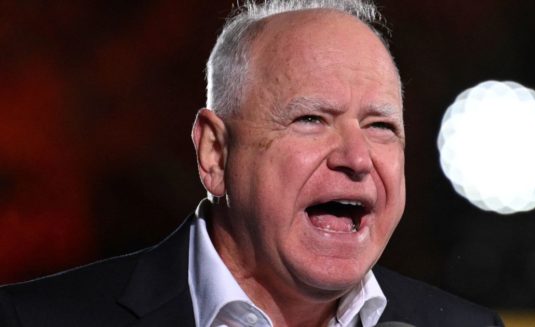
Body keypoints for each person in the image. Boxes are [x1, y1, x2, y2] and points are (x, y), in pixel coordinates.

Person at [0, 0, 504, 326]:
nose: (356, 158)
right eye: (310, 118)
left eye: (381, 127)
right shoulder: (36, 319)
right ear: (214, 153)